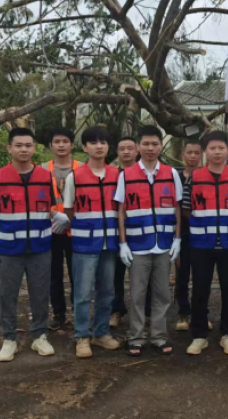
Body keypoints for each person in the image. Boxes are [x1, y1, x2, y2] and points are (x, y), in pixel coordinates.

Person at [0, 127, 57, 361]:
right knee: (7, 294)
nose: (24, 149)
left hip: (40, 248)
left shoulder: (45, 177)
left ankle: (39, 335)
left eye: (28, 145)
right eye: (19, 145)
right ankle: (9, 339)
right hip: (9, 250)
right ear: (10, 148)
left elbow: (48, 208)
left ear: (34, 148)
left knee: (40, 293)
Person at [182, 131, 228, 356]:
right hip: (201, 245)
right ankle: (199, 335)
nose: (216, 152)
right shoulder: (194, 177)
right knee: (200, 290)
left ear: (227, 150)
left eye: (221, 148)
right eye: (212, 148)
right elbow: (185, 208)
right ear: (206, 151)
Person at [116, 125, 181, 356]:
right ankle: (135, 337)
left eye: (155, 144)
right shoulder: (126, 175)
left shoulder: (172, 174)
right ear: (138, 147)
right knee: (137, 294)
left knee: (162, 293)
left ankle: (159, 336)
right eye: (146, 144)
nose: (150, 148)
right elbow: (121, 211)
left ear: (161, 146)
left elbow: (177, 209)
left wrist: (177, 239)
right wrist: (123, 243)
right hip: (137, 245)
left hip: (164, 244)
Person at [64, 126, 122, 358]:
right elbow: (68, 210)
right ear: (85, 147)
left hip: (110, 244)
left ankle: (101, 333)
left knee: (107, 291)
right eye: (94, 142)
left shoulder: (117, 175)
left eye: (103, 142)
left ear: (109, 146)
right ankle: (82, 336)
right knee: (83, 293)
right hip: (85, 245)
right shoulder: (74, 177)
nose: (99, 146)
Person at [174, 139, 212, 332]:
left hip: (203, 233)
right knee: (182, 273)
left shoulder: (206, 177)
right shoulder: (176, 178)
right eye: (189, 152)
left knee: (201, 276)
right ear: (183, 154)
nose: (192, 157)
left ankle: (201, 313)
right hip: (182, 232)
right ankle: (183, 312)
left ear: (202, 155)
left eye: (196, 153)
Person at [46, 127, 80, 331]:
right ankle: (59, 314)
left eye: (65, 141)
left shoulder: (82, 168)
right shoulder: (41, 169)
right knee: (54, 273)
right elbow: (38, 198)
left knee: (78, 273)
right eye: (56, 141)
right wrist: (54, 214)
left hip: (76, 230)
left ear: (72, 145)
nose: (61, 145)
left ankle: (79, 311)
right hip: (52, 229)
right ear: (50, 145)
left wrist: (71, 218)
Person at [110, 137, 142, 329]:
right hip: (116, 231)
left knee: (141, 275)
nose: (126, 152)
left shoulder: (145, 173)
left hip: (140, 231)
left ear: (137, 150)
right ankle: (117, 310)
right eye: (122, 148)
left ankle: (143, 312)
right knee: (116, 274)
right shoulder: (112, 175)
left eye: (130, 148)